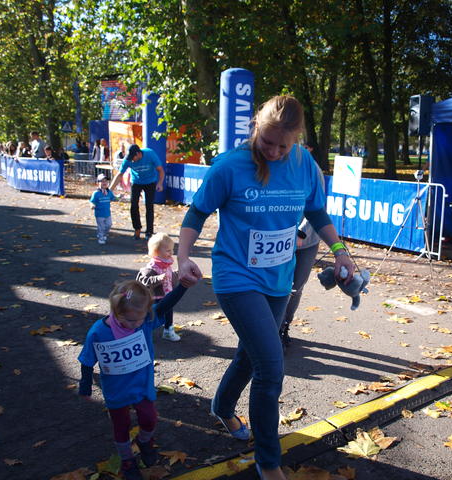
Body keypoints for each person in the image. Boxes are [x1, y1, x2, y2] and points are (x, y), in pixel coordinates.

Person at [176, 95, 354, 480]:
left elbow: (316, 211)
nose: (273, 152)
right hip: (236, 276)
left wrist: (340, 251)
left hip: (278, 279)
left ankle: (222, 407)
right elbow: (197, 212)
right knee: (271, 367)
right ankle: (269, 462)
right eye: (267, 142)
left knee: (251, 354)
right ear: (256, 126)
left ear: (297, 139)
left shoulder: (304, 164)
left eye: (282, 146)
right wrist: (183, 256)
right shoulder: (230, 166)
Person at [78, 280, 186, 480]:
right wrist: (85, 385)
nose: (135, 324)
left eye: (139, 319)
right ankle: (127, 459)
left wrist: (184, 285)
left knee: (149, 418)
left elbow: (165, 305)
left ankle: (144, 441)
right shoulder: (98, 332)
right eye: (129, 320)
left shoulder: (144, 322)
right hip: (116, 390)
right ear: (116, 312)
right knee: (121, 426)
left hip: (141, 385)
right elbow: (87, 360)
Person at [279, 218, 320, 351]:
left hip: (308, 241)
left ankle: (285, 326)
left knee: (296, 287)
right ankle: (276, 329)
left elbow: (316, 210)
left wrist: (301, 232)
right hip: (280, 238)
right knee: (279, 286)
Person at [109, 144, 165, 240]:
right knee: (133, 205)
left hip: (150, 182)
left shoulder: (150, 154)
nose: (132, 160)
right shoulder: (128, 159)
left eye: (133, 158)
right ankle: (137, 229)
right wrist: (109, 190)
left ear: (138, 154)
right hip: (136, 182)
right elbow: (119, 174)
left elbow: (161, 170)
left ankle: (149, 232)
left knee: (149, 206)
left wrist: (160, 183)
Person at [136, 233, 185, 341]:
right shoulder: (150, 268)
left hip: (167, 295)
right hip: (155, 298)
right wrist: (157, 279)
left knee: (168, 313)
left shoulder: (166, 264)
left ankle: (168, 330)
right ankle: (141, 331)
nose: (171, 253)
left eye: (172, 250)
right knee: (151, 316)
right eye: (168, 250)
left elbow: (170, 277)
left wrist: (178, 273)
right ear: (156, 252)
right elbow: (144, 282)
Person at [89, 174, 116, 245]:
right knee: (101, 227)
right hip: (99, 214)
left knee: (109, 225)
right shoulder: (96, 193)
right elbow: (92, 201)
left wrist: (119, 197)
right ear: (98, 183)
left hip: (107, 213)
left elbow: (113, 198)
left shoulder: (109, 192)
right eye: (102, 181)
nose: (104, 183)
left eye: (106, 181)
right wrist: (92, 205)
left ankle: (103, 234)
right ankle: (101, 238)